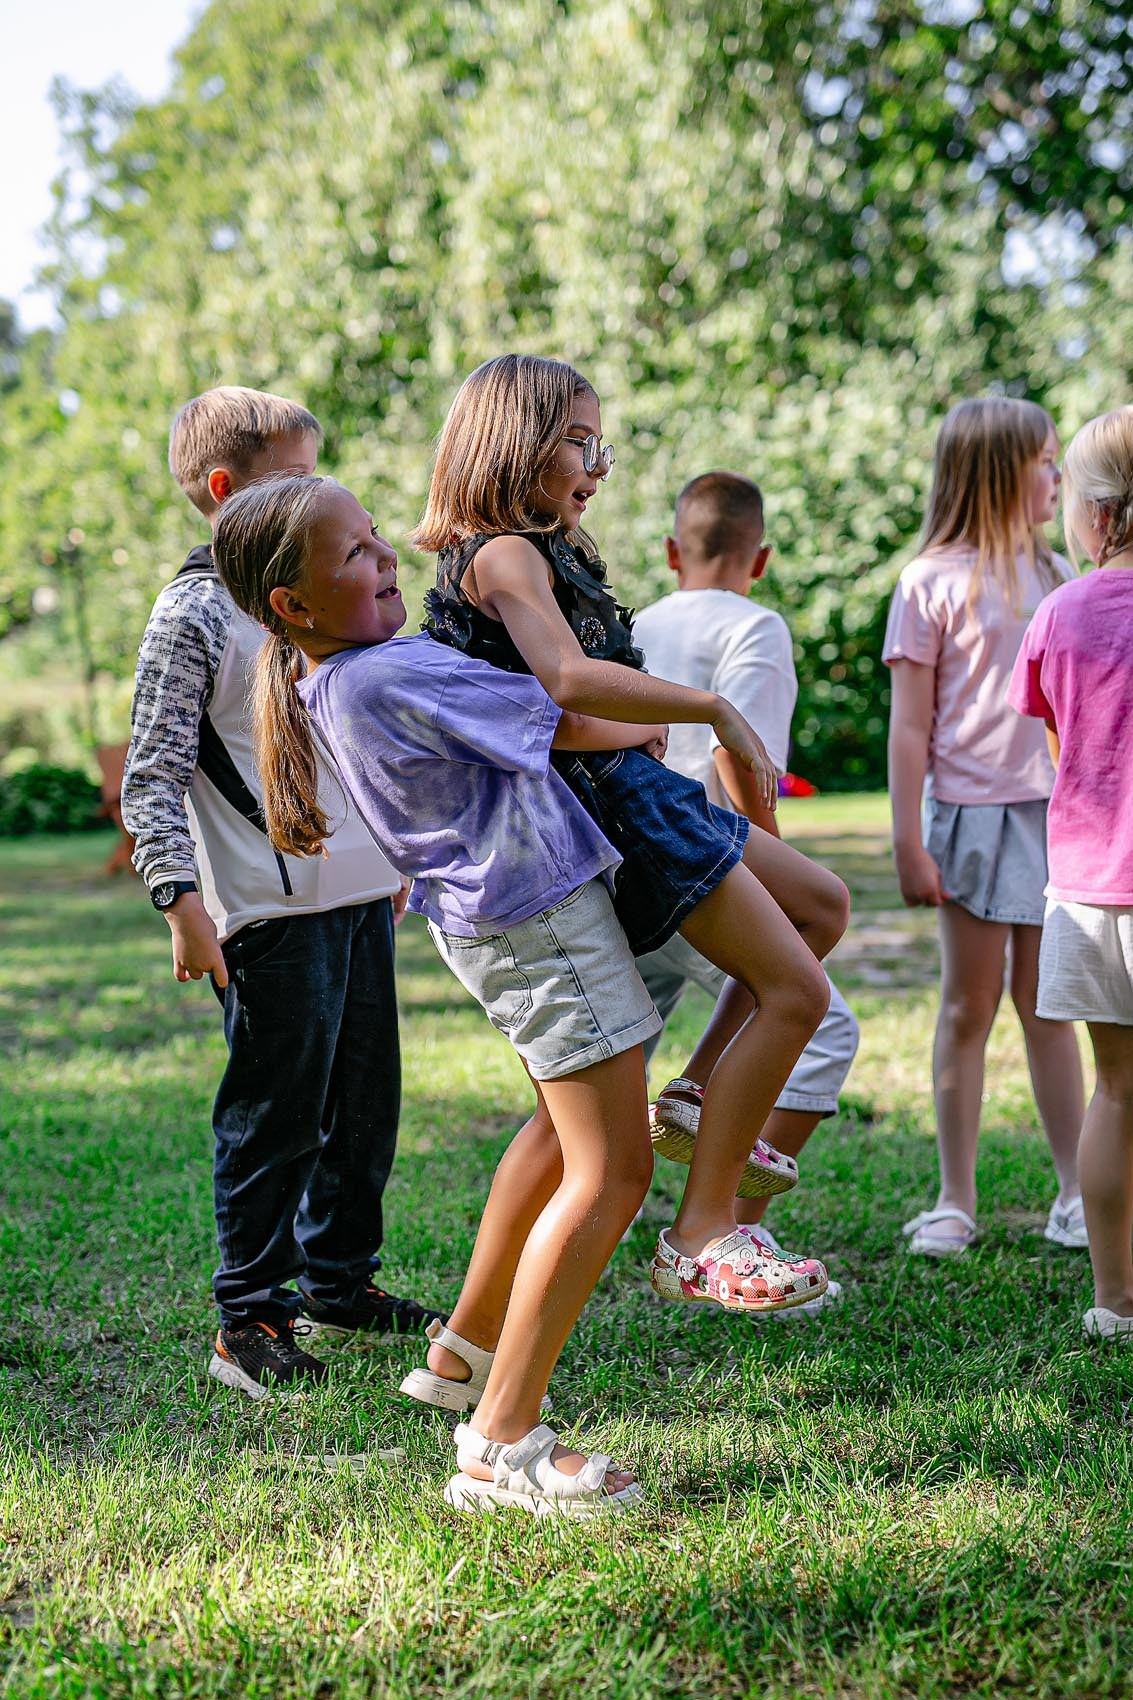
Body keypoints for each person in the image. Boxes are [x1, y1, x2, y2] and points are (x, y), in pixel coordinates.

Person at [212, 473, 830, 1516]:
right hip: (535, 927)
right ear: (294, 602)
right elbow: (556, 712)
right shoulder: (380, 673)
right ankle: (498, 1442)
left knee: (593, 1156)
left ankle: (469, 1367)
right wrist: (652, 729)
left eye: (375, 538)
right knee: (606, 1174)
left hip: (522, 923)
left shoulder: (348, 670)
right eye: (356, 553)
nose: (384, 558)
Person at [121, 386, 440, 1402]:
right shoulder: (193, 610)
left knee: (364, 1106)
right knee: (276, 1114)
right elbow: (152, 769)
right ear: (224, 493)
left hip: (356, 897)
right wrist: (179, 896)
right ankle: (248, 1316)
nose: (317, 494)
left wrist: (391, 855)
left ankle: (340, 1283)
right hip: (264, 911)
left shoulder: (316, 590)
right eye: (293, 477)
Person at [633, 471, 859, 1313]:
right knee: (823, 1024)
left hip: (622, 869)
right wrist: (781, 875)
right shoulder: (755, 625)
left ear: (669, 551)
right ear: (758, 558)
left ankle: (681, 1113)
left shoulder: (635, 622)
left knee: (611, 1060)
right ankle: (730, 1230)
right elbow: (742, 760)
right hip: (702, 869)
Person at [883, 396, 1085, 1256]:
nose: (1059, 477)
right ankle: (952, 1201)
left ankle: (1077, 1192)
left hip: (1052, 822)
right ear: (1002, 471)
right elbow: (908, 727)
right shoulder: (927, 580)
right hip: (964, 819)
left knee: (1049, 1009)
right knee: (967, 1008)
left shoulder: (1060, 579)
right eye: (1044, 461)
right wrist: (905, 837)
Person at [1008, 406, 1133, 1338]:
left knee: (1117, 1089)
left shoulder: (1057, 612)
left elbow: (1063, 746)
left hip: (1091, 888)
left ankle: (1110, 1301)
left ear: (1091, 516)